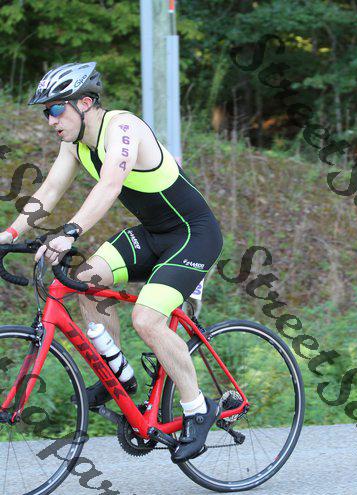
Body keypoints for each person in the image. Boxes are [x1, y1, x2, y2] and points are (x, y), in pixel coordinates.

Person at [0, 62, 224, 463]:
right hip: (154, 234)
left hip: (193, 235)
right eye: (46, 112)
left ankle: (198, 408)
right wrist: (10, 234)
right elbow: (50, 189)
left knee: (147, 320)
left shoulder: (122, 128)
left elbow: (110, 185)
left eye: (56, 109)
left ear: (85, 103)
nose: (50, 120)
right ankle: (118, 375)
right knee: (84, 281)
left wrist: (70, 231)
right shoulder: (75, 143)